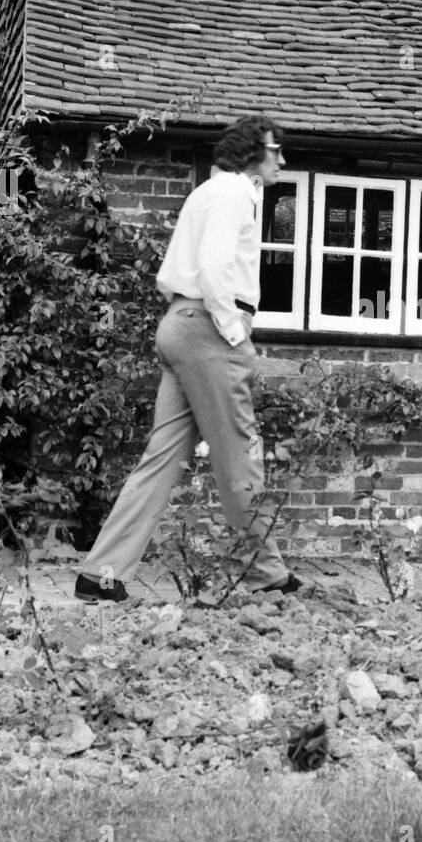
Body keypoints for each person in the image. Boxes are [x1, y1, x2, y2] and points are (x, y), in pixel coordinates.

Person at [75, 114, 301, 601]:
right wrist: (233, 329)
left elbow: (169, 273)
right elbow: (217, 267)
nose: (282, 157)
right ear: (250, 153)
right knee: (238, 453)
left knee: (164, 457)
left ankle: (101, 573)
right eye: (275, 148)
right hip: (210, 331)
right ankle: (265, 573)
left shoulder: (205, 192)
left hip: (179, 324)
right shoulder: (238, 192)